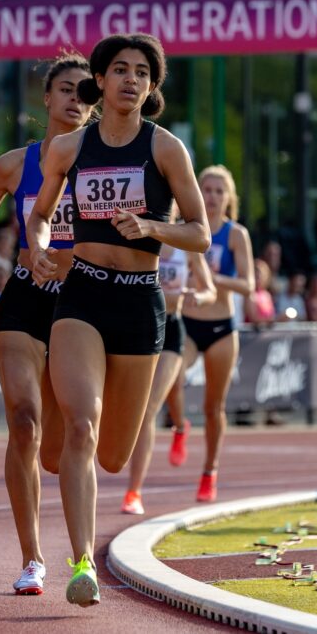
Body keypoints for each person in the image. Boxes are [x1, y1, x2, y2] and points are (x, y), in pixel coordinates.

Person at [26, 33, 210, 607]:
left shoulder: (166, 149)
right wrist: (38, 248)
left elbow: (200, 233)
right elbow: (38, 216)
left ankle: (64, 417)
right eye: (120, 70)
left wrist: (153, 227)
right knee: (82, 429)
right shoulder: (69, 149)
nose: (131, 80)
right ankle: (81, 562)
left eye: (142, 73)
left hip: (139, 301)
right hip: (82, 294)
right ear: (99, 81)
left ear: (151, 88)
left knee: (113, 455)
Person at [0, 53, 93, 595]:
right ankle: (33, 558)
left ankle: (72, 538)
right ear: (48, 98)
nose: (74, 100)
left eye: (84, 92)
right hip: (24, 300)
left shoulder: (103, 164)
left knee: (58, 450)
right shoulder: (14, 165)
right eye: (65, 90)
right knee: (23, 422)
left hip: (80, 305)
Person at [121, 216, 216, 515]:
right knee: (150, 401)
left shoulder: (186, 246)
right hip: (137, 325)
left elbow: (209, 289)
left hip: (172, 330)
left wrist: (196, 297)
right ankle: (180, 426)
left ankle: (133, 492)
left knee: (148, 408)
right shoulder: (139, 231)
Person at [179, 165, 253, 502]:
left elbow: (249, 286)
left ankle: (210, 471)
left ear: (229, 198)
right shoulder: (186, 230)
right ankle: (180, 423)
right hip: (188, 322)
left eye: (218, 191)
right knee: (170, 378)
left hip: (222, 327)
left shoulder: (236, 235)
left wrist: (211, 278)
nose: (211, 197)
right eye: (206, 189)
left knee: (213, 407)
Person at [244, 258, 275, 327]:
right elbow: (253, 319)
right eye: (256, 276)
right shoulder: (249, 294)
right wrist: (276, 319)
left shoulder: (267, 295)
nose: (258, 279)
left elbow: (271, 315)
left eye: (260, 275)